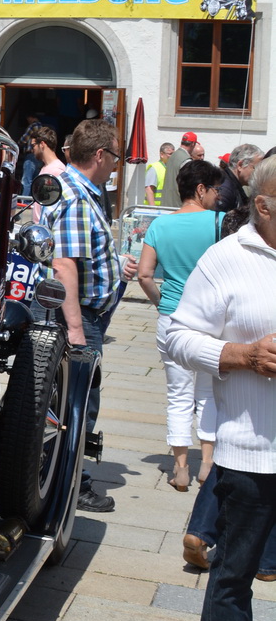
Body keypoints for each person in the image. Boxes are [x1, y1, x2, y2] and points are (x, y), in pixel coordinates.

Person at [165, 154, 276, 621]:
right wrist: (244, 356)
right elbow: (179, 334)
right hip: (252, 447)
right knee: (234, 571)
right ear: (263, 206)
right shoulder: (227, 258)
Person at [48, 117, 124, 513]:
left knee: (69, 401)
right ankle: (73, 485)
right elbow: (64, 265)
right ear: (100, 155)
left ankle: (63, 475)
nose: (117, 163)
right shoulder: (76, 196)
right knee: (78, 404)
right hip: (81, 322)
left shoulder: (81, 191)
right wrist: (76, 328)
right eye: (116, 155)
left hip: (91, 317)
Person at [137, 160, 226, 490]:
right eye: (215, 190)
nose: (218, 196)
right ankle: (206, 464)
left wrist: (163, 303)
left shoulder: (159, 226)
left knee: (178, 395)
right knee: (207, 394)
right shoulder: (220, 223)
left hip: (172, 318)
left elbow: (145, 276)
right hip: (210, 318)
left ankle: (180, 469)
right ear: (201, 190)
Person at [215, 143, 260, 214]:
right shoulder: (225, 189)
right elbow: (217, 221)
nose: (258, 173)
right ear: (240, 165)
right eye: (256, 168)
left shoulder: (232, 184)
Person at [159, 131, 199, 208]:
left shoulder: (173, 156)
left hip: (165, 203)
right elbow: (188, 184)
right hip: (177, 205)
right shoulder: (186, 160)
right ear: (193, 144)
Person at [17, 114, 42, 198]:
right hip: (39, 156)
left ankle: (24, 201)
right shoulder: (42, 127)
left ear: (32, 117)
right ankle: (32, 201)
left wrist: (18, 144)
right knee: (35, 180)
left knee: (26, 180)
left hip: (30, 155)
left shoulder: (33, 126)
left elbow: (24, 139)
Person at [145, 142, 174, 207]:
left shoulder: (171, 168)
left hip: (167, 208)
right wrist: (153, 209)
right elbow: (149, 189)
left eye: (173, 154)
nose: (172, 156)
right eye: (170, 154)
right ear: (162, 154)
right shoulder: (154, 168)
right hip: (157, 209)